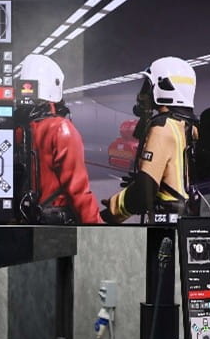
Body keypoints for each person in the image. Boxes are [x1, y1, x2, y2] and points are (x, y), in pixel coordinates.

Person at [102, 56, 198, 224]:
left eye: (148, 86)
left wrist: (111, 211)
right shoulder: (188, 126)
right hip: (188, 218)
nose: (143, 93)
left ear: (164, 87)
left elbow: (143, 194)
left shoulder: (162, 128)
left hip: (167, 222)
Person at [13, 55, 102, 224]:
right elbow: (79, 192)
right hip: (55, 228)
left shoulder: (17, 129)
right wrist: (96, 229)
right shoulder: (61, 129)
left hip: (23, 222)